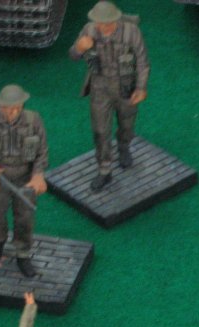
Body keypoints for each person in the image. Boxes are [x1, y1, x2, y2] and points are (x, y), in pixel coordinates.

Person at [69, 1, 150, 192]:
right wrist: (79, 48)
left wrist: (141, 87)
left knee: (127, 123)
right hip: (100, 87)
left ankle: (124, 146)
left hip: (126, 86)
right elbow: (73, 55)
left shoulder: (131, 32)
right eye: (99, 23)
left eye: (107, 23)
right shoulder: (89, 30)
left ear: (116, 19)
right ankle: (104, 169)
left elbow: (142, 62)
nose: (103, 27)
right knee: (100, 130)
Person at [0, 84, 48, 277]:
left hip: (25, 177)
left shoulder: (34, 120)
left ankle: (23, 252)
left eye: (17, 108)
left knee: (25, 217)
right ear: (0, 106)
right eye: (7, 108)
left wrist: (38, 174)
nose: (12, 112)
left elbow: (42, 151)